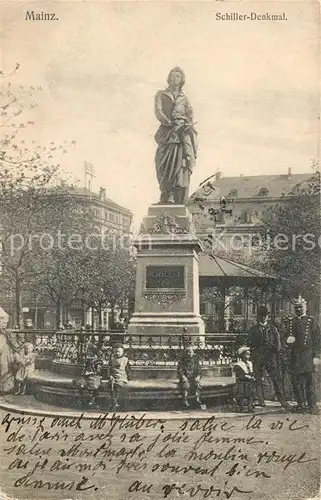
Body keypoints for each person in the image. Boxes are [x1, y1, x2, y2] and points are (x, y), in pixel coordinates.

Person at [155, 67, 197, 204]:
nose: (174, 79)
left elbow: (190, 115)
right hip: (166, 133)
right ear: (168, 78)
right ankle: (164, 193)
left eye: (178, 77)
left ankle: (173, 195)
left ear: (182, 80)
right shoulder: (161, 94)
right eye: (172, 76)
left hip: (181, 135)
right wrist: (169, 123)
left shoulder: (185, 99)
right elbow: (158, 112)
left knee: (180, 164)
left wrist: (187, 125)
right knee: (162, 163)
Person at [248, 305, 291, 411]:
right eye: (261, 316)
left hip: (271, 358)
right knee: (257, 379)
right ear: (258, 317)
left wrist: (271, 347)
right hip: (258, 358)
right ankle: (260, 400)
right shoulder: (253, 330)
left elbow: (278, 346)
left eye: (265, 316)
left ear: (267, 317)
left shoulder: (273, 329)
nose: (263, 318)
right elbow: (250, 344)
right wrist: (255, 353)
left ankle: (282, 401)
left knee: (276, 379)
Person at [286, 296, 321, 413]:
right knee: (297, 382)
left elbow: (318, 340)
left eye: (300, 307)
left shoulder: (312, 320)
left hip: (308, 354)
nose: (298, 310)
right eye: (296, 308)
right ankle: (301, 404)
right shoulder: (291, 322)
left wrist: (316, 356)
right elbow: (285, 336)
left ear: (305, 307)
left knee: (310, 382)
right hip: (295, 356)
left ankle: (312, 406)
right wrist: (288, 340)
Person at [0, 308, 22, 394]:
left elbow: (13, 345)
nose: (4, 325)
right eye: (2, 323)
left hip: (6, 354)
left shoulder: (6, 333)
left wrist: (17, 352)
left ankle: (5, 388)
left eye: (5, 323)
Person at [177, 342, 205, 409]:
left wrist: (198, 376)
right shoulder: (182, 360)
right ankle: (185, 400)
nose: (189, 354)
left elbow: (199, 369)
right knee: (185, 385)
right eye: (187, 352)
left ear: (193, 352)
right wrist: (183, 376)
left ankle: (197, 399)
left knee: (197, 384)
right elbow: (180, 370)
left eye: (190, 352)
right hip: (186, 377)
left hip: (193, 377)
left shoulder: (195, 360)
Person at [233, 347, 256, 413]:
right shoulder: (238, 365)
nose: (248, 356)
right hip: (242, 382)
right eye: (246, 354)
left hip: (249, 381)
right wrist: (247, 376)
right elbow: (239, 375)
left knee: (251, 395)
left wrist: (252, 376)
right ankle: (242, 408)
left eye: (249, 355)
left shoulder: (250, 363)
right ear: (242, 355)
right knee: (242, 395)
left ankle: (250, 407)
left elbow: (251, 372)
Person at [108, 344, 131, 410]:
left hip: (121, 377)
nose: (117, 353)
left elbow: (128, 369)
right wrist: (110, 376)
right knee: (111, 386)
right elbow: (109, 369)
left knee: (118, 386)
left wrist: (129, 377)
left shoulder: (125, 360)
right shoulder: (112, 360)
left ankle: (114, 402)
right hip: (113, 376)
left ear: (122, 352)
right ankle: (114, 401)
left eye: (119, 352)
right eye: (115, 352)